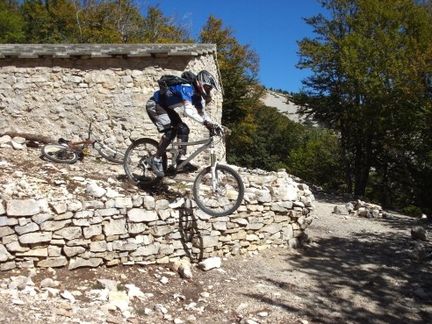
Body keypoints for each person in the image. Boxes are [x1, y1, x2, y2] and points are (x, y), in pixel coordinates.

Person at [145, 70, 222, 177]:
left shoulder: (198, 96)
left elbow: (202, 113)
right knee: (171, 132)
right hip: (155, 105)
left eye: (210, 89)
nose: (208, 90)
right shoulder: (187, 88)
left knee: (183, 129)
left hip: (166, 108)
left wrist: (215, 125)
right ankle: (156, 159)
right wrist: (205, 123)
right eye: (208, 87)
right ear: (200, 83)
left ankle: (180, 160)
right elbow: (189, 111)